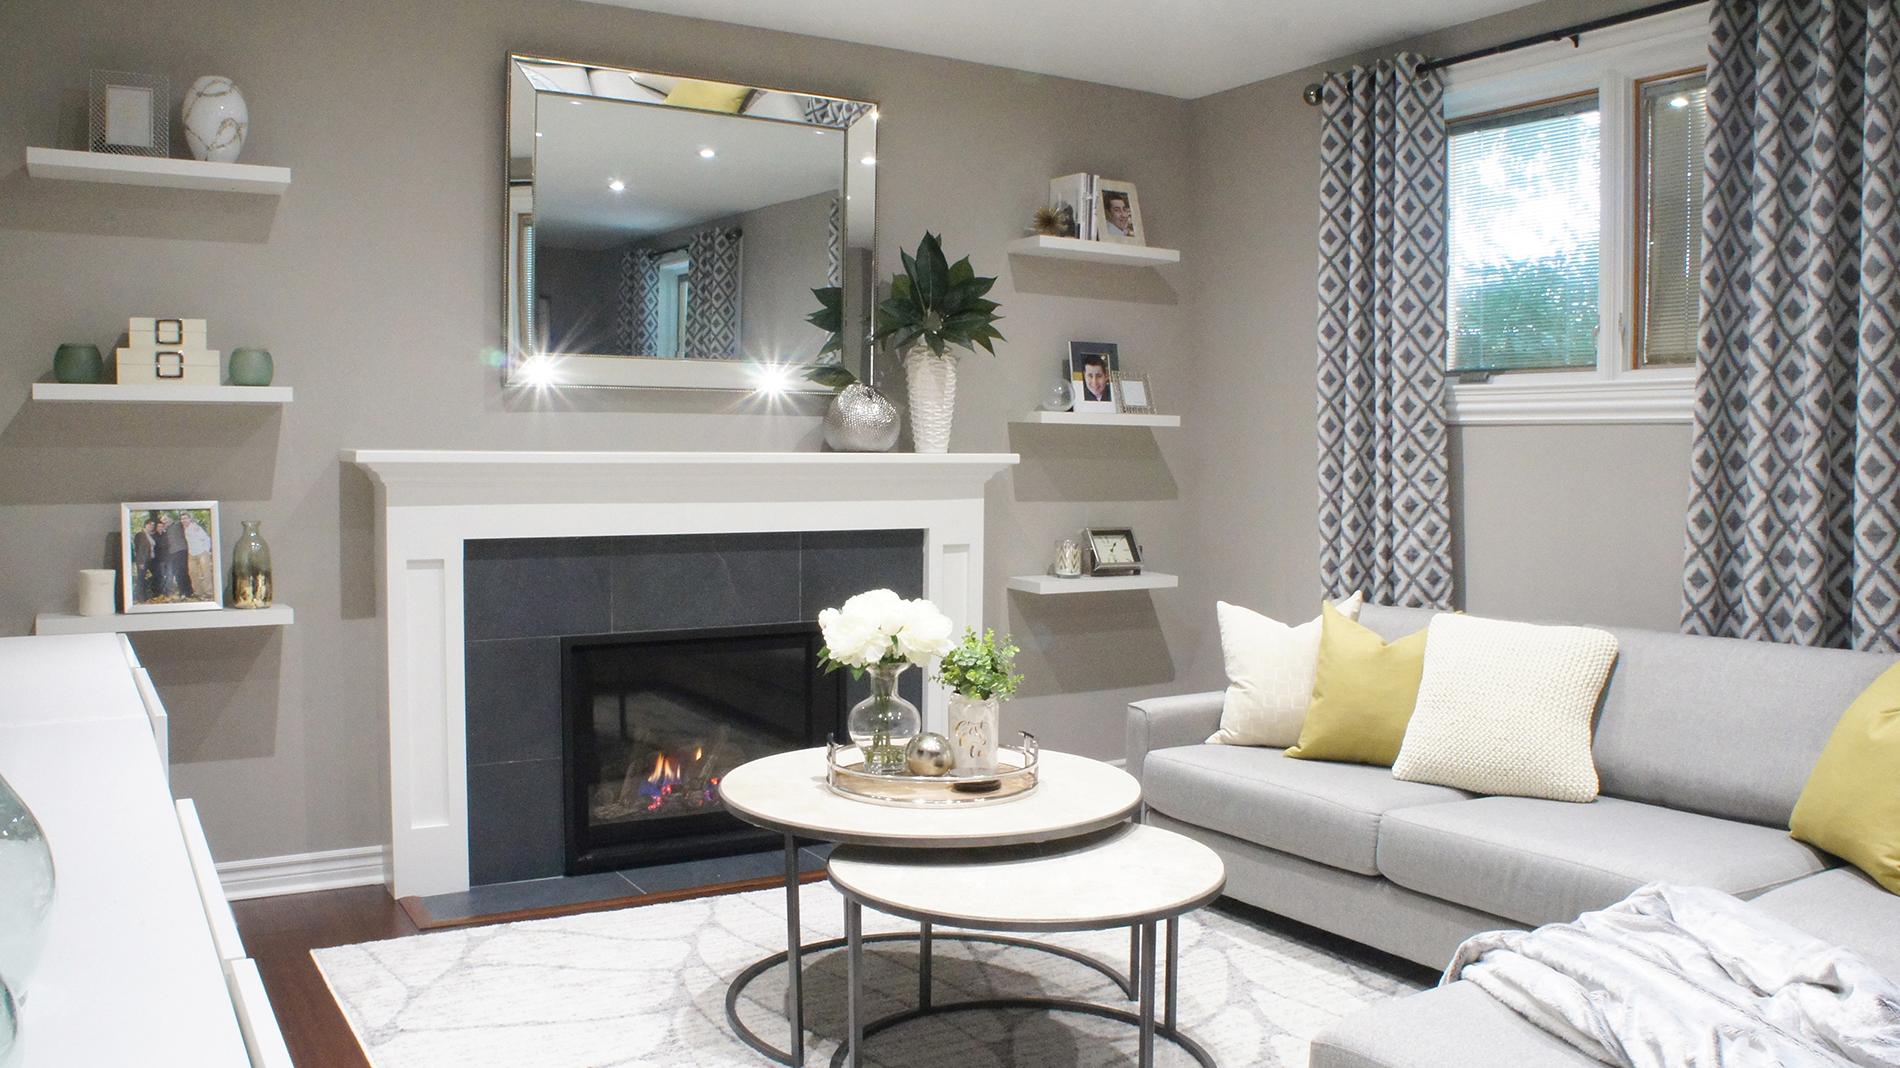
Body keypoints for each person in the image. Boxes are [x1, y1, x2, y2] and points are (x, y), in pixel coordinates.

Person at [155, 512, 191, 599]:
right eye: (162, 520)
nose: (164, 521)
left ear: (170, 518)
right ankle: (182, 591)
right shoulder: (166, 530)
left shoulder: (178, 525)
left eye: (165, 519)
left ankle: (187, 591)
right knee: (177, 572)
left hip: (181, 551)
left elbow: (188, 523)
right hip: (172, 554)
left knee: (182, 571)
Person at [182, 513, 214, 601]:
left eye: (185, 518)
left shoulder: (195, 527)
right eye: (182, 519)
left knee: (205, 572)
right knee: (192, 572)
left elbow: (206, 538)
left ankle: (208, 591)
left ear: (189, 519)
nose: (183, 521)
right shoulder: (184, 529)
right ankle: (198, 591)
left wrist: (206, 550)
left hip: (202, 552)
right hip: (192, 552)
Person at [132, 517, 158, 604]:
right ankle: (140, 597)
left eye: (153, 525)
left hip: (151, 560)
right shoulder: (141, 535)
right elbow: (140, 549)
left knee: (157, 575)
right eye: (149, 524)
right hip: (143, 560)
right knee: (141, 579)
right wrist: (141, 562)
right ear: (145, 525)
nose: (151, 526)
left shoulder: (151, 535)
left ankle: (150, 593)